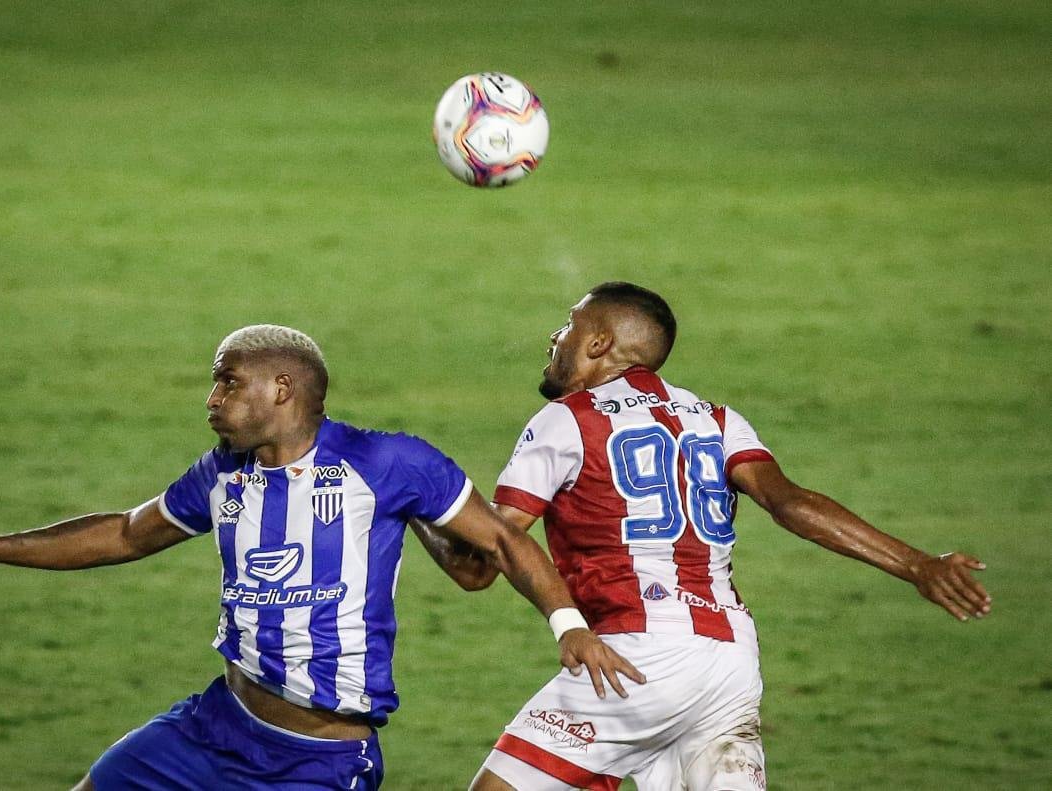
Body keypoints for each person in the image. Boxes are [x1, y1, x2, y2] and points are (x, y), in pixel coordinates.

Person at [0, 323, 644, 791]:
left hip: (316, 761)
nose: (211, 397)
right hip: (213, 727)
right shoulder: (220, 471)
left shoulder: (386, 463)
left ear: (282, 388)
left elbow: (501, 542)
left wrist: (567, 622)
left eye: (228, 379)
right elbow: (128, 533)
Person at [414, 282, 992, 791]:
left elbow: (482, 563)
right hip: (728, 664)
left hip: (636, 661)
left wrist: (410, 500)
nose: (556, 337)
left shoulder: (569, 420)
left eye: (570, 325)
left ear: (597, 345)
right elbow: (788, 502)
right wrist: (917, 564)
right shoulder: (716, 419)